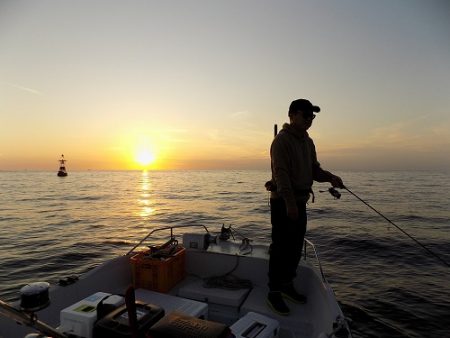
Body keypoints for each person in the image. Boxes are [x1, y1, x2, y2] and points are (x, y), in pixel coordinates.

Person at [266, 98, 344, 316]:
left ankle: (287, 285)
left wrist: (330, 178)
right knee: (280, 248)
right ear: (291, 115)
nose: (310, 120)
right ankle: (274, 292)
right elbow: (280, 175)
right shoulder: (281, 141)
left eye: (312, 116)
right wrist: (290, 204)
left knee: (295, 247)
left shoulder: (308, 142)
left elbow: (314, 170)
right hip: (283, 203)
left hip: (299, 203)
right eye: (305, 115)